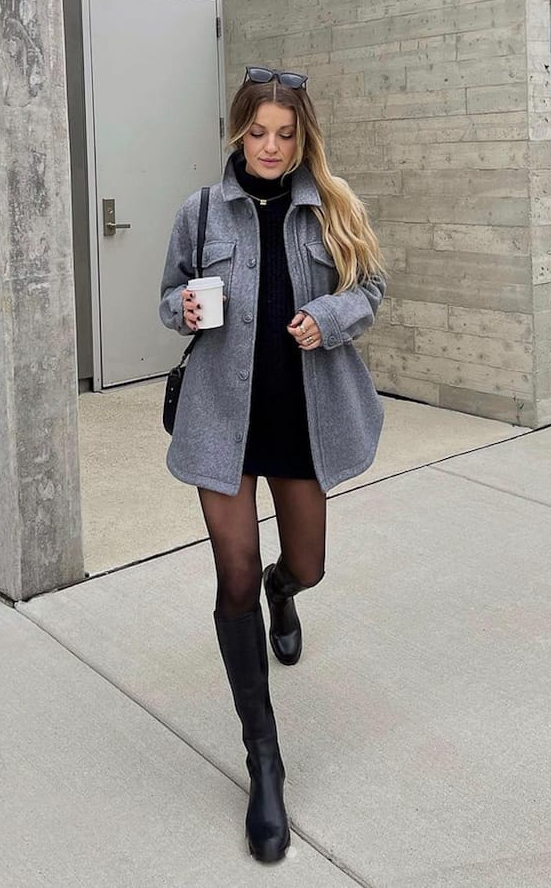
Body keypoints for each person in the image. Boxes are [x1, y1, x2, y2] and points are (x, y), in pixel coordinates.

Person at [158, 66, 386, 863]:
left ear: (302, 138)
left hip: (298, 412)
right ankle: (264, 757)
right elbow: (169, 298)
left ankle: (283, 595)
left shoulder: (332, 206)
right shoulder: (200, 211)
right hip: (221, 418)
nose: (270, 146)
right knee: (230, 578)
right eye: (258, 131)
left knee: (309, 564)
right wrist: (181, 305)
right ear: (237, 131)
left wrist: (329, 316)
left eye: (284, 134)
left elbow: (373, 288)